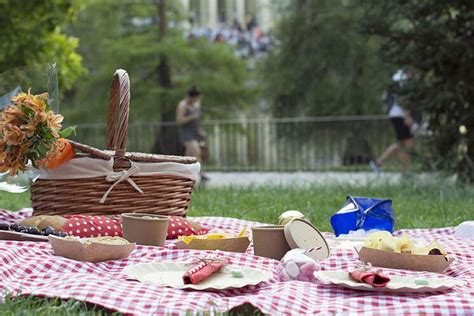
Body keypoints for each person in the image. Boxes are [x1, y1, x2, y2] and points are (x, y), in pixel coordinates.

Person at [370, 68, 419, 174]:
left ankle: (378, 163)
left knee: (402, 143)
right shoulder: (402, 81)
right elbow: (402, 100)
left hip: (398, 115)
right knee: (407, 142)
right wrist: (407, 115)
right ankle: (405, 172)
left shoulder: (400, 79)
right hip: (399, 115)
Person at [176, 86, 208, 180]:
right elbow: (179, 120)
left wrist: (200, 131)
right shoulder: (183, 105)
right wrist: (192, 117)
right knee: (196, 151)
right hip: (187, 134)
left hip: (194, 133)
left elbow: (196, 121)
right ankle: (199, 173)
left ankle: (185, 174)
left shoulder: (196, 104)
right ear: (191, 97)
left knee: (190, 155)